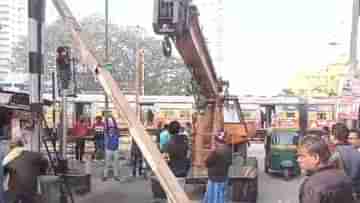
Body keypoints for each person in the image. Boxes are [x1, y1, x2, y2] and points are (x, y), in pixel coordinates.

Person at [297, 135, 354, 203]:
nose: (298, 160)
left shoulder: (312, 185)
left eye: (302, 156)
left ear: (315, 157)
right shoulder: (343, 175)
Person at [3, 139, 48, 203]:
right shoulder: (35, 155)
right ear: (22, 146)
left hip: (14, 192)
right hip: (31, 191)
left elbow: (3, 174)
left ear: (11, 148)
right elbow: (45, 161)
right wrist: (40, 172)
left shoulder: (9, 158)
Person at [330, 126, 360, 200]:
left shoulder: (334, 154)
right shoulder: (356, 152)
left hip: (340, 195)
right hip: (355, 193)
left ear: (334, 137)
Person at [202, 130, 232, 203]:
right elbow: (230, 162)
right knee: (221, 196)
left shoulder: (216, 152)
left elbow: (207, 163)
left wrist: (210, 153)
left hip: (214, 178)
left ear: (216, 141)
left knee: (213, 197)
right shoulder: (229, 150)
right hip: (224, 176)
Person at [103, 117, 120, 181]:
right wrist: (107, 118)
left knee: (115, 163)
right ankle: (105, 176)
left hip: (115, 150)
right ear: (109, 129)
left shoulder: (116, 134)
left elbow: (116, 126)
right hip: (108, 150)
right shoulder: (107, 134)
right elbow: (106, 126)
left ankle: (116, 176)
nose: (112, 129)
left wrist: (113, 118)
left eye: (113, 128)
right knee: (107, 163)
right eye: (110, 128)